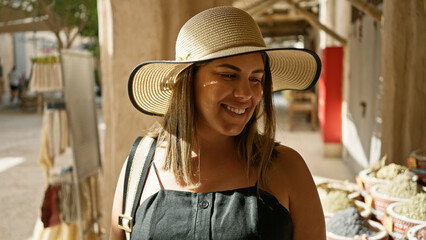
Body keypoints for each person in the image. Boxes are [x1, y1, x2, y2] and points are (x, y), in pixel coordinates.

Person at [111, 6, 325, 240]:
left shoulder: (288, 168)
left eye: (256, 78)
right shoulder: (140, 166)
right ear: (187, 81)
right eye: (228, 75)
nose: (246, 93)